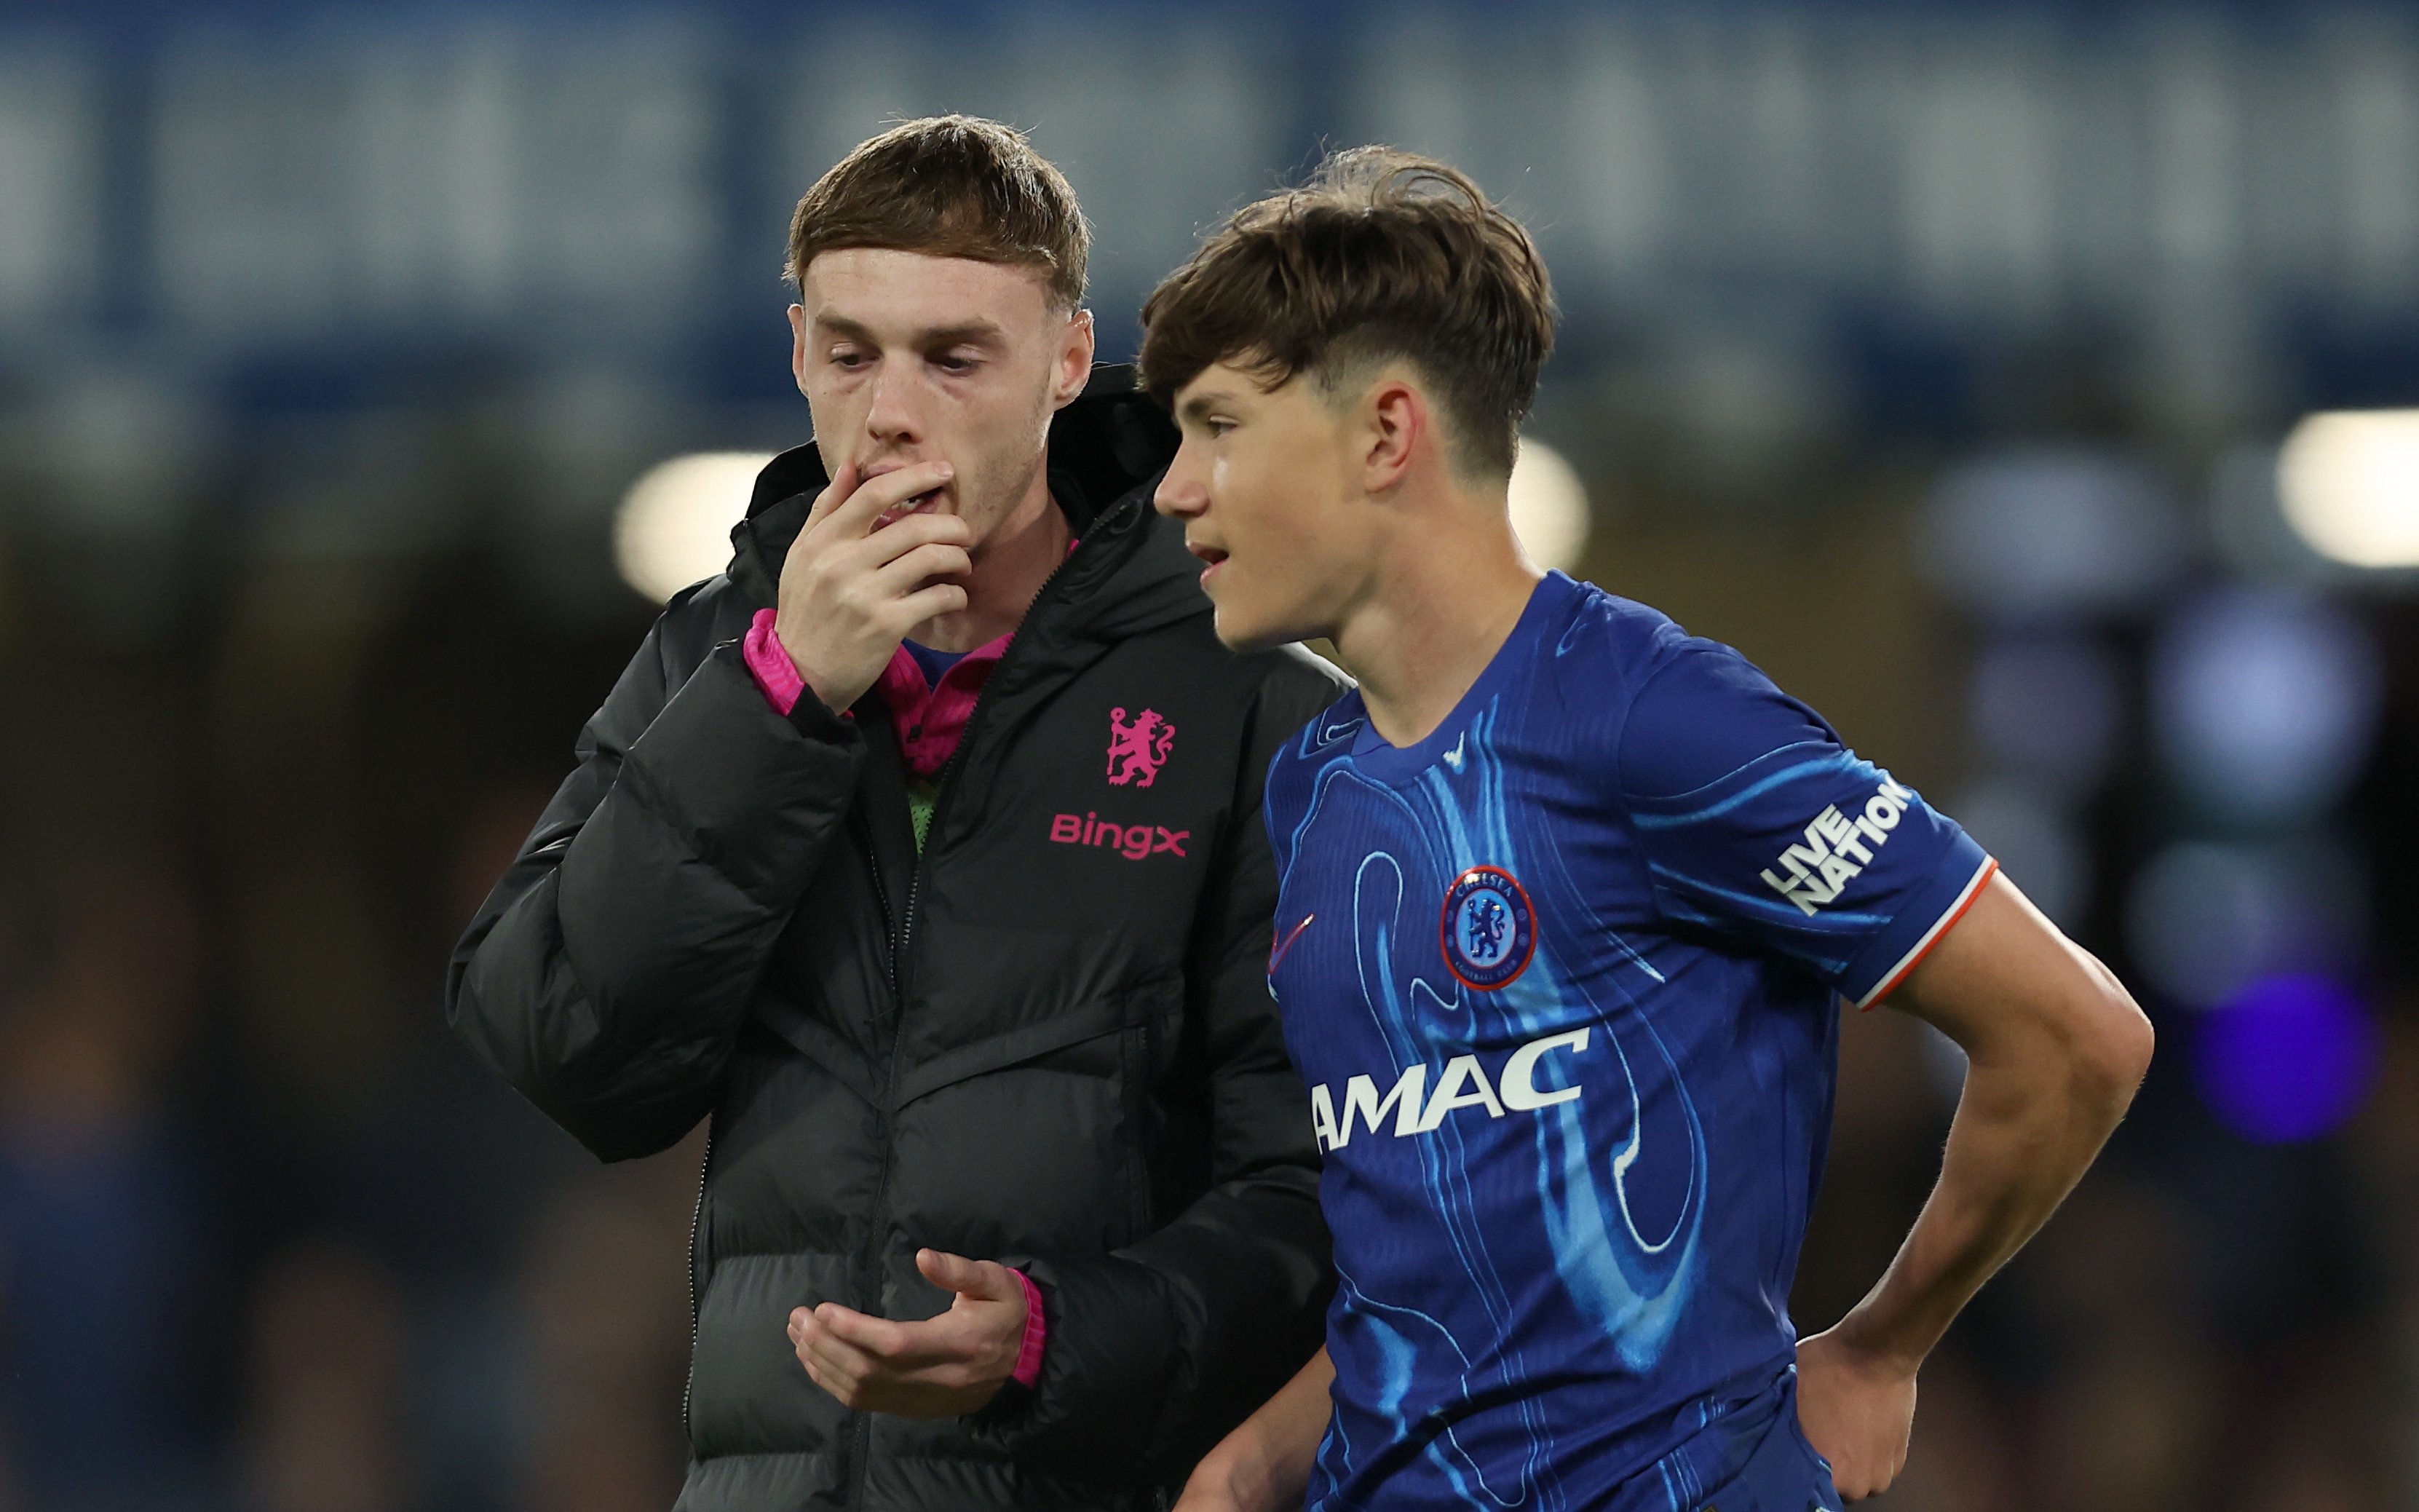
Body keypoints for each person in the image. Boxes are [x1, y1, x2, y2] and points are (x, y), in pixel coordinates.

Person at [1136, 148, 2155, 1511]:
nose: (1173, 489)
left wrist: (1882, 1344)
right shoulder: (1314, 784)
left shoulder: (1650, 716)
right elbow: (1447, 1245)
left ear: (1386, 434)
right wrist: (1254, 1460)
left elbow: (2076, 1033)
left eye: (1218, 427)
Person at [448, 116, 1343, 1511]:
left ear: (1064, 360)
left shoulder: (1247, 692)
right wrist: (782, 699)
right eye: (853, 354)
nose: (892, 413)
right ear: (799, 349)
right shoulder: (717, 656)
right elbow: (564, 1044)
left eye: (955, 357)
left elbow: (1319, 1202)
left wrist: (1054, 1334)